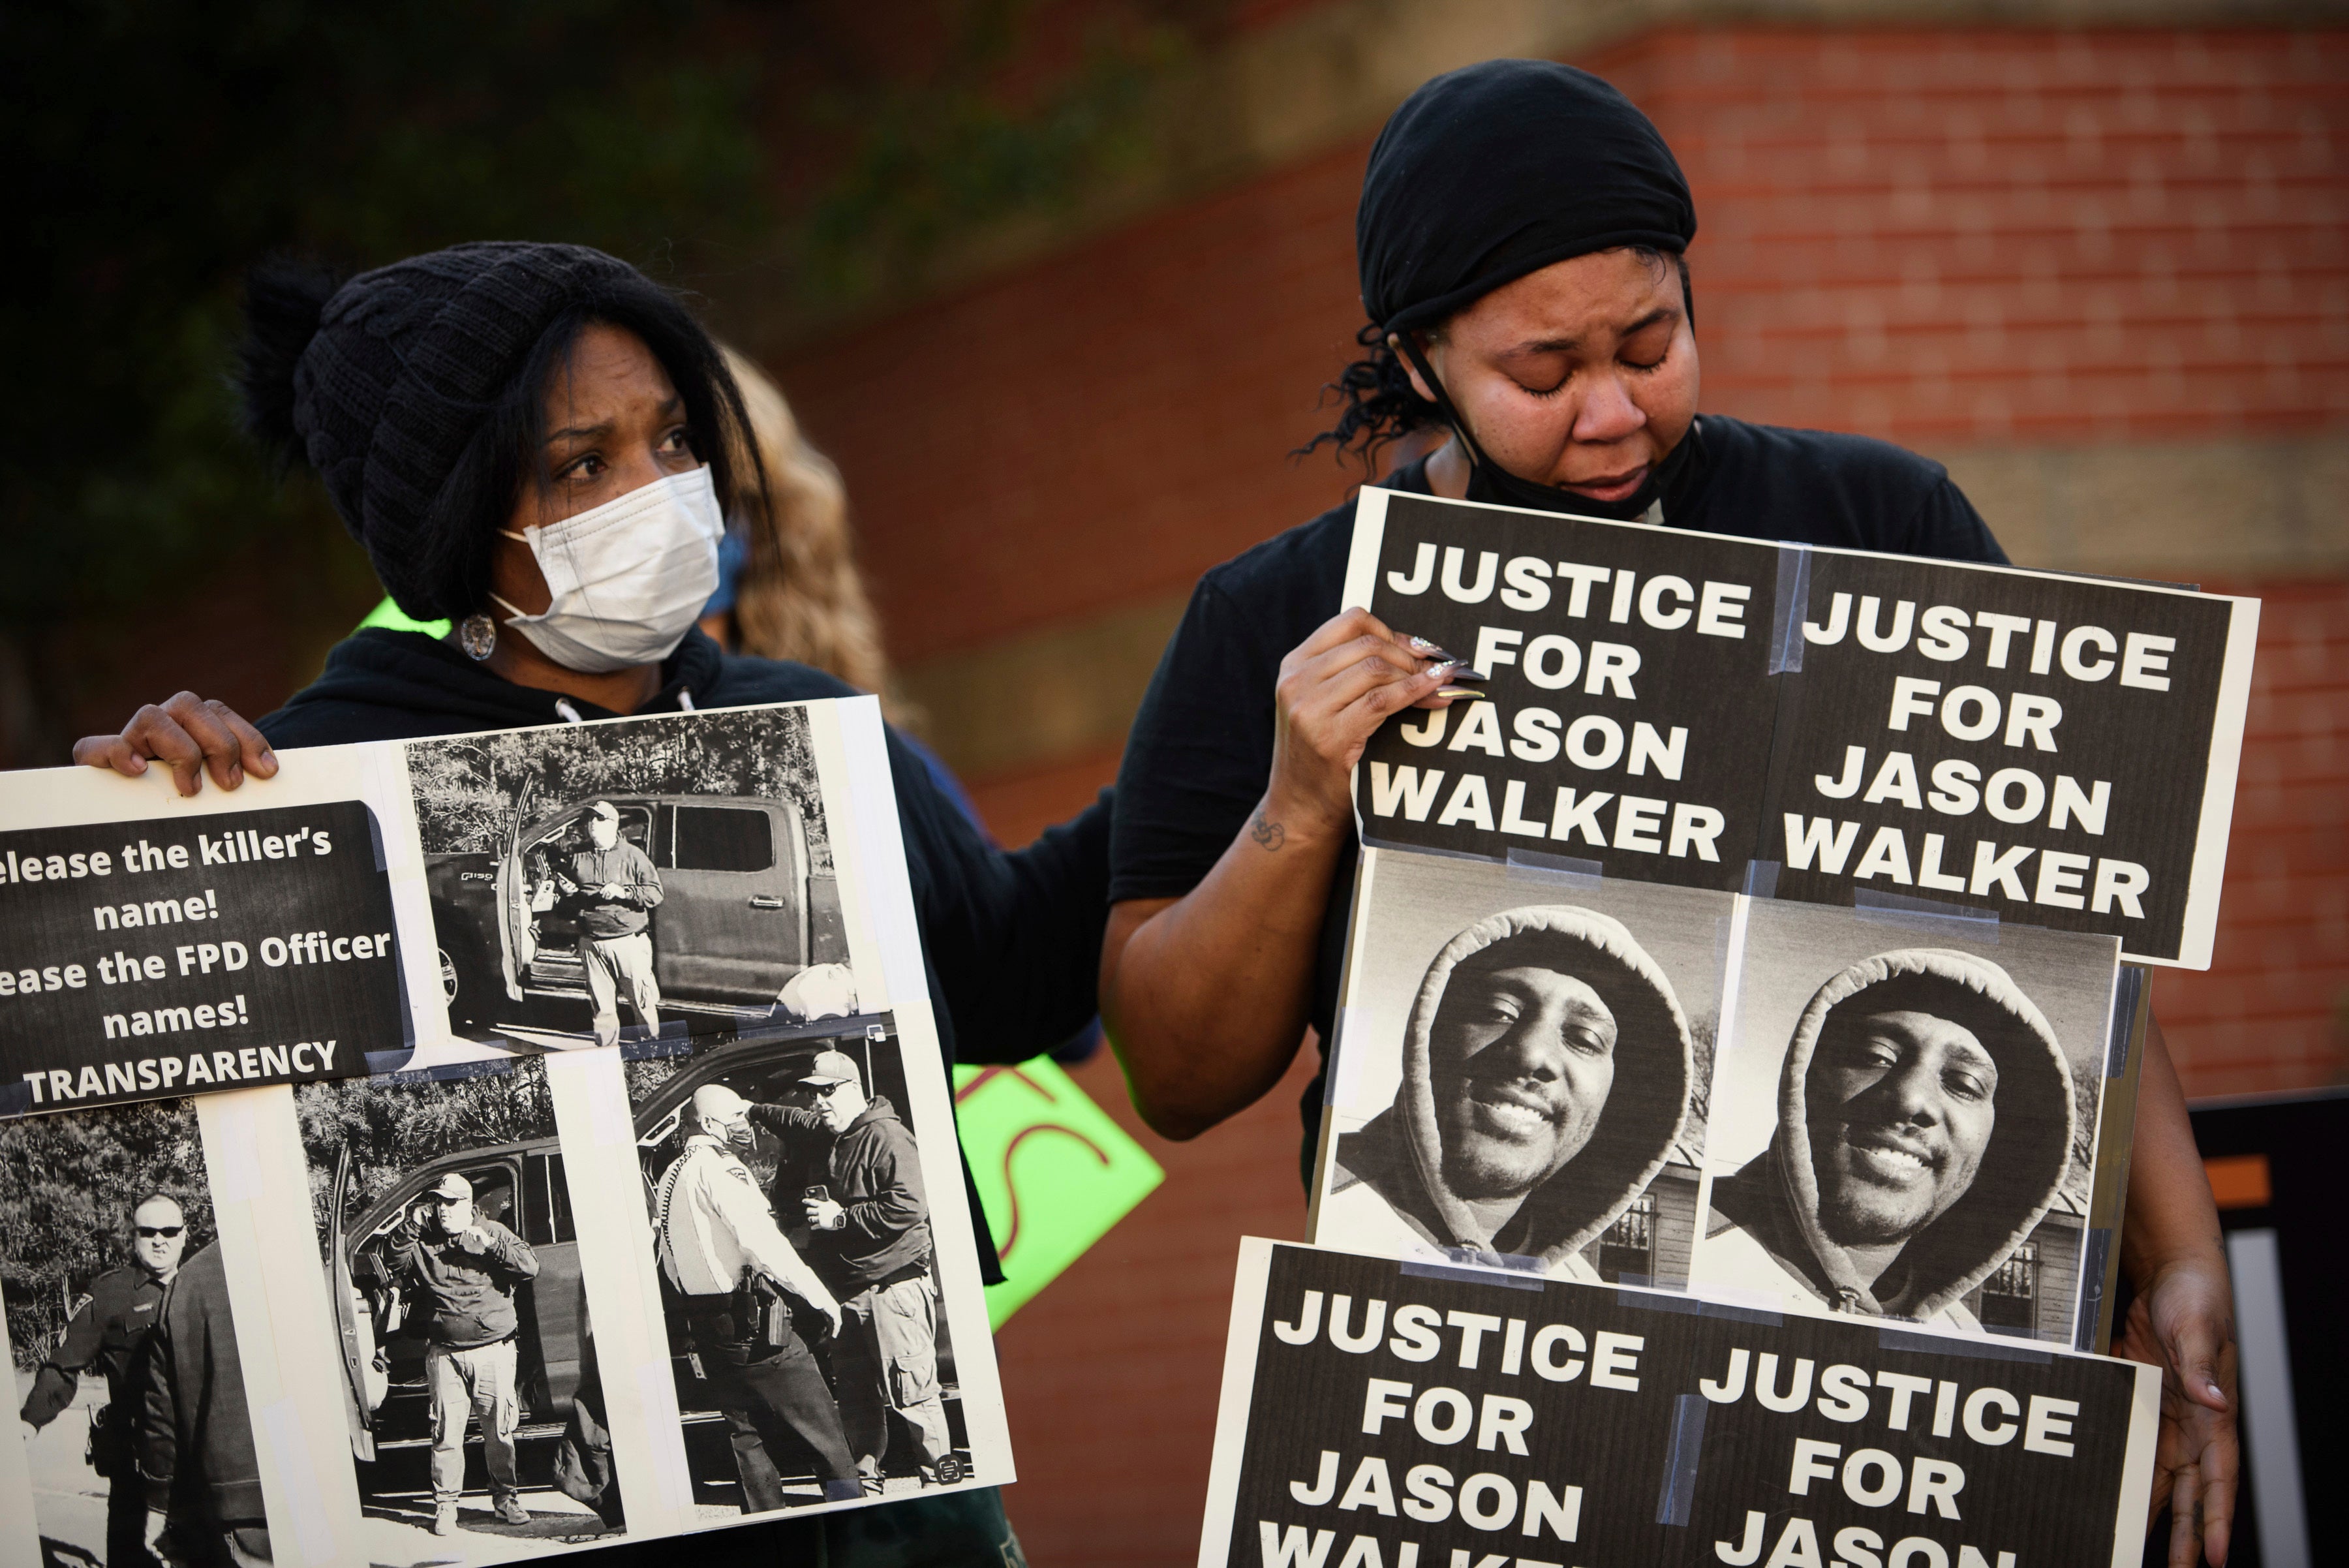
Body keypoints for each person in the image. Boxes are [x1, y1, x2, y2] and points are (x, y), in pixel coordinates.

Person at [1098, 59, 2237, 1567]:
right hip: (1482, 1411)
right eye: (1543, 372)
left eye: (1652, 340)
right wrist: (1301, 805)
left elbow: (2068, 930)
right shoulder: (1282, 618)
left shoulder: (1881, 524)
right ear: (1420, 360)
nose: (1615, 410)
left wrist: (2182, 1249)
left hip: (1880, 1426)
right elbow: (1172, 1072)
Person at [69, 239, 1094, 1563]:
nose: (661, 494)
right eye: (583, 466)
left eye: (673, 439)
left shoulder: (809, 719)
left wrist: (1256, 730)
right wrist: (134, 825)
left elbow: (1025, 981)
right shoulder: (302, 777)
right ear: (455, 516)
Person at [1702, 950, 2074, 1327]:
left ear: (1997, 1145)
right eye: (1875, 1056)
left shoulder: (1964, 1338)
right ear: (1802, 1086)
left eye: (1964, 1085)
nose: (1911, 1100)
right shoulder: (1698, 1258)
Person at [1323, 906, 1689, 1277]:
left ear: (1617, 1099)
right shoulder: (1298, 1197)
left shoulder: (1578, 1287)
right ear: (1427, 1039)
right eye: (1498, 1012)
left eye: (1584, 1039)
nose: (1531, 1054)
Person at [748, 1050, 955, 1494]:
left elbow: (911, 1204)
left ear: (853, 1090)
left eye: (827, 1091)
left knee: (914, 1396)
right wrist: (747, 1109)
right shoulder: (829, 1131)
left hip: (892, 1288)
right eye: (813, 1092)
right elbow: (790, 1118)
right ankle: (868, 1486)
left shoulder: (888, 1136)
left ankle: (945, 1486)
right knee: (858, 1396)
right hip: (848, 1294)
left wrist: (841, 1218)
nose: (818, 1102)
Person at [655, 1084, 860, 1509]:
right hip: (750, 1319)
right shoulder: (721, 1170)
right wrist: (819, 1296)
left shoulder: (670, 1176)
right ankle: (852, 1514)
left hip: (709, 1322)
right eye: (736, 1116)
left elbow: (669, 1260)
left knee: (746, 1436)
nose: (744, 1123)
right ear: (711, 1124)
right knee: (824, 1430)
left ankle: (767, 1521)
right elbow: (761, 1242)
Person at [19, 1193, 189, 1568]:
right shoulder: (109, 1294)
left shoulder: (202, 1289)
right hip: (136, 1465)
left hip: (198, 1462)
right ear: (134, 1236)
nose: (159, 1239)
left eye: (169, 1230)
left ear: (184, 1235)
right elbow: (64, 1365)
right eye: (148, 1231)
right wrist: (29, 1422)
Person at [384, 1172, 542, 1534]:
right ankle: (446, 1506)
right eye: (438, 1202)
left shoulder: (492, 1232)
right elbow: (393, 1261)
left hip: (493, 1351)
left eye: (450, 1202)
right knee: (445, 1433)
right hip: (446, 1353)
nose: (442, 1209)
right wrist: (411, 1224)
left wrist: (489, 1246)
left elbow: (530, 1267)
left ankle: (506, 1499)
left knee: (499, 1431)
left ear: (469, 1206)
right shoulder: (424, 1242)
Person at [138, 1241, 268, 1567]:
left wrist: (158, 1507)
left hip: (240, 1501)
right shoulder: (304, 1255)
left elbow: (161, 1417)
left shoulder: (188, 1283)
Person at [558, 799, 664, 1047]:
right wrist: (569, 892)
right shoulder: (578, 856)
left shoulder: (633, 855)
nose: (593, 824)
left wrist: (624, 892)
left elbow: (655, 894)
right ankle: (606, 1055)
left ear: (614, 824)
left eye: (599, 819)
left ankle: (652, 1055)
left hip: (628, 941)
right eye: (590, 819)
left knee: (642, 1003)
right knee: (602, 1010)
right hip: (592, 942)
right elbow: (570, 900)